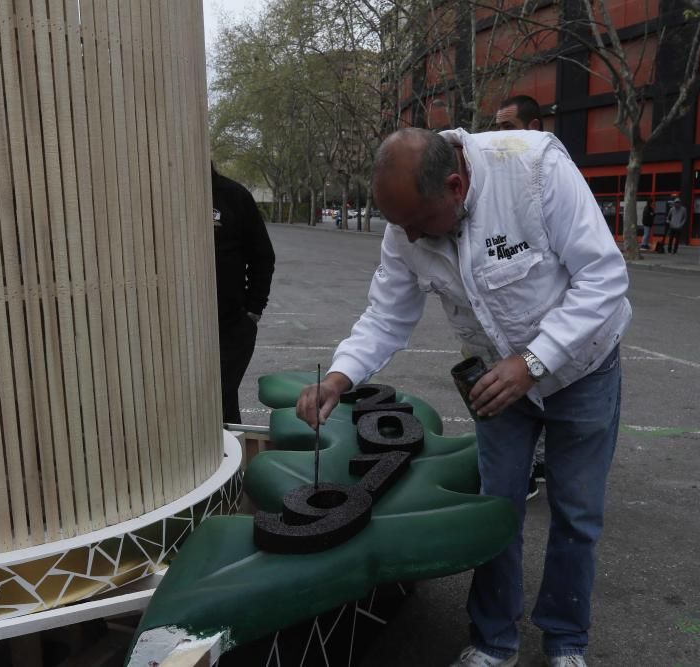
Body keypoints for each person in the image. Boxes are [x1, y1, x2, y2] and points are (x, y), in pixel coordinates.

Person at [295, 128, 630, 667]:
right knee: (495, 511)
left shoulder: (534, 167)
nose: (408, 236)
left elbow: (603, 276)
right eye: (398, 225)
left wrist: (535, 361)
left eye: (417, 224)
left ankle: (566, 640)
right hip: (497, 381)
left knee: (577, 513)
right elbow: (387, 314)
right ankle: (494, 640)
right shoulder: (406, 225)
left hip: (582, 368)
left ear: (455, 185)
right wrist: (339, 377)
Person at [495, 95, 547, 502]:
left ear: (534, 128)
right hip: (503, 333)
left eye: (508, 127)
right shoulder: (495, 176)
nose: (499, 136)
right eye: (496, 127)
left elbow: (599, 277)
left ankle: (542, 462)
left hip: (552, 330)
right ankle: (525, 469)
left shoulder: (552, 172)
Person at [212, 163, 276, 424]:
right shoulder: (161, 198)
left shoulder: (233, 196)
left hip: (229, 329)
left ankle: (229, 461)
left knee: (217, 400)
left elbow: (262, 256)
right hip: (175, 331)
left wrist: (253, 311)